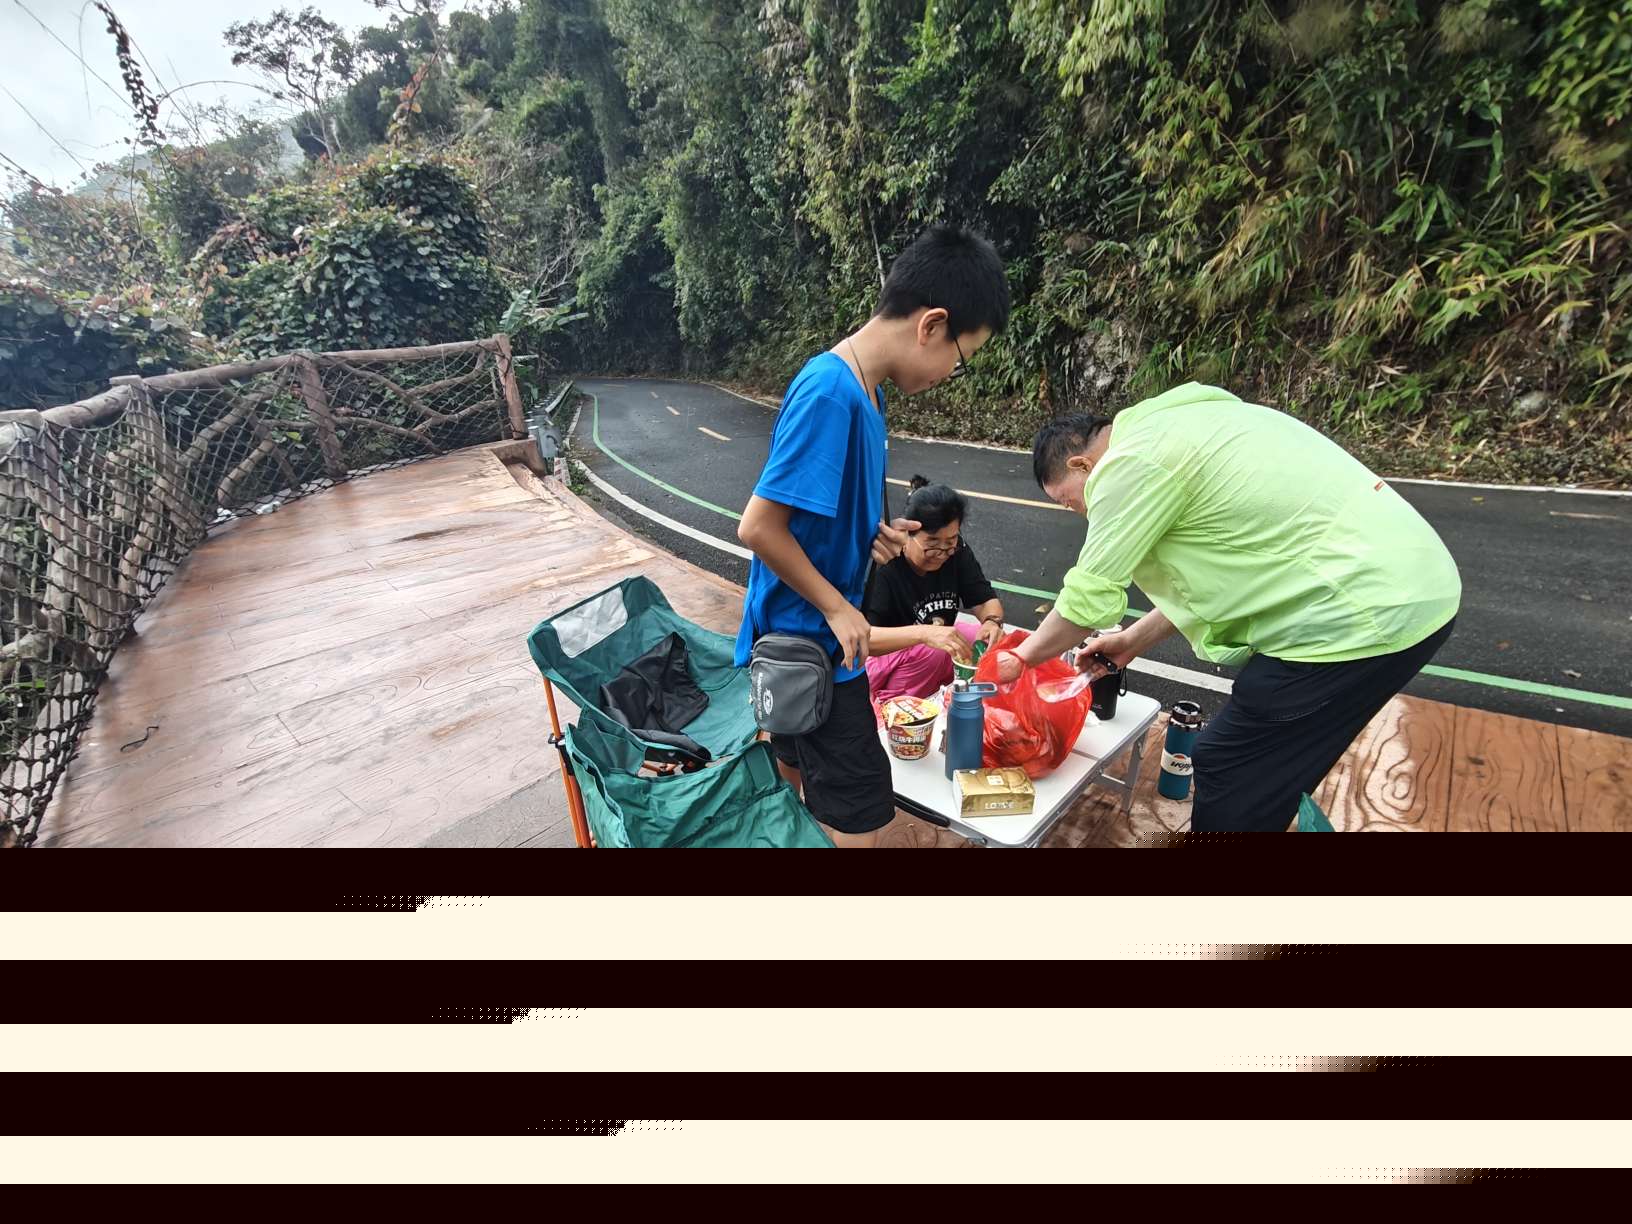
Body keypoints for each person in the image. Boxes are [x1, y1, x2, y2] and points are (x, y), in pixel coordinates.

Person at [994, 385, 1461, 832]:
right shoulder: (1181, 424)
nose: (1078, 512)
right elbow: (1225, 577)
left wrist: (1020, 657)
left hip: (1361, 613)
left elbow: (1086, 597)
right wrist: (1132, 640)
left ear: (1082, 464)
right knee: (1273, 768)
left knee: (1231, 764)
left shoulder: (1130, 464)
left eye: (1069, 500)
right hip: (1406, 590)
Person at [735, 225, 1011, 847]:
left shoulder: (867, 395)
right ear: (932, 325)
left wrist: (870, 537)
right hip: (815, 649)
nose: (952, 373)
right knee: (860, 817)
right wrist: (838, 607)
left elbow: (812, 519)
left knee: (795, 781)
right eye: (961, 358)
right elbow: (759, 526)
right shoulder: (831, 394)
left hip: (808, 645)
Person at [863, 476, 1006, 706]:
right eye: (932, 544)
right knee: (937, 651)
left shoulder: (957, 552)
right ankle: (890, 708)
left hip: (932, 647)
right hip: (881, 664)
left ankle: (957, 701)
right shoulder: (885, 565)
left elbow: (985, 600)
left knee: (991, 644)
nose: (941, 553)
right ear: (908, 534)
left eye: (950, 542)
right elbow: (866, 639)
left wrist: (991, 622)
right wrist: (925, 634)